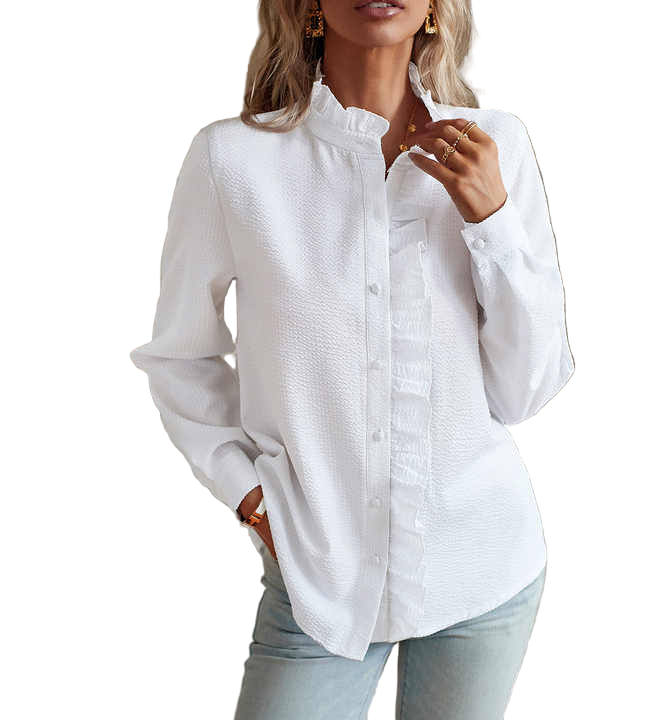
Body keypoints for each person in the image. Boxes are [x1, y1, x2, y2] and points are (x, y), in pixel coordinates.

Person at [129, 1, 575, 717]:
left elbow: (525, 389)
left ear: (435, 10)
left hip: (481, 567)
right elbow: (181, 355)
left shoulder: (497, 146)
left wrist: (491, 220)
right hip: (319, 575)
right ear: (308, 7)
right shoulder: (233, 160)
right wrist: (248, 495)